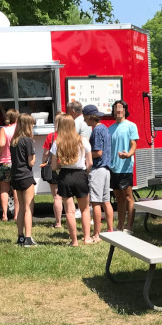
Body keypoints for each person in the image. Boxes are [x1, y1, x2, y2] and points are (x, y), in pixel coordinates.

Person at [50, 114, 93, 246]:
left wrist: (61, 165)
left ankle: (74, 241)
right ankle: (86, 238)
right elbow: (90, 163)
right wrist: (85, 173)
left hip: (65, 176)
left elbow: (53, 166)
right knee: (85, 209)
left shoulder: (57, 143)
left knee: (69, 211)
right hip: (80, 175)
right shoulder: (83, 140)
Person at [83, 104, 114, 243]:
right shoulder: (105, 129)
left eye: (85, 117)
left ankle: (96, 234)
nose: (84, 120)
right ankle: (110, 230)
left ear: (90, 117)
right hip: (106, 169)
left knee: (95, 202)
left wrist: (86, 155)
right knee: (106, 201)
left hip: (98, 169)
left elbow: (98, 152)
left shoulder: (96, 131)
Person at [108, 100, 139, 234]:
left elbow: (133, 145)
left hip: (125, 167)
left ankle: (129, 227)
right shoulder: (110, 128)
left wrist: (128, 155)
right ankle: (120, 226)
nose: (118, 111)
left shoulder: (131, 126)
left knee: (128, 197)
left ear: (125, 110)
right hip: (113, 168)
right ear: (113, 111)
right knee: (118, 198)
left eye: (121, 108)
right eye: (116, 108)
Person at [10, 114, 37, 247]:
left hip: (15, 176)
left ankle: (20, 236)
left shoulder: (14, 140)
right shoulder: (28, 140)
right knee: (28, 208)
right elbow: (31, 162)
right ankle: (28, 238)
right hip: (26, 176)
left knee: (20, 208)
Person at [40, 113, 66, 228]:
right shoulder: (70, 136)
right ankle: (70, 220)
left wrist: (44, 162)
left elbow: (46, 153)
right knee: (68, 197)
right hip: (67, 168)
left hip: (54, 167)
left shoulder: (51, 136)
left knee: (56, 197)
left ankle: (58, 222)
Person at [0, 109, 20, 221]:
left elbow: (1, 143)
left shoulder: (4, 129)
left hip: (5, 162)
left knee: (4, 189)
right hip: (17, 162)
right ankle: (16, 215)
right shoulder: (20, 130)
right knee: (16, 189)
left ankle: (4, 215)